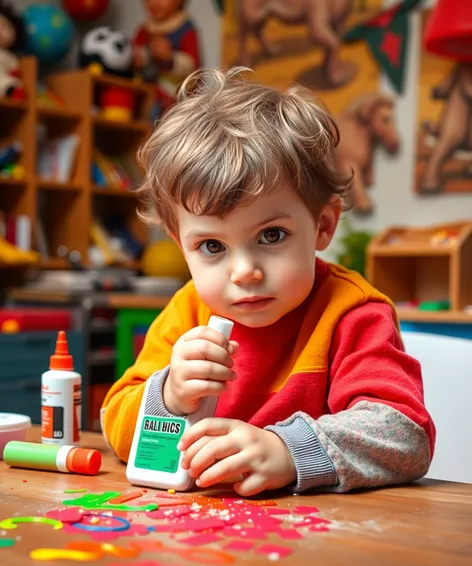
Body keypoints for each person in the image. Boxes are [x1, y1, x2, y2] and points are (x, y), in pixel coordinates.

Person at [101, 67, 435, 497]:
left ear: (322, 226)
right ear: (181, 246)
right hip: (199, 544)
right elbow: (115, 421)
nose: (244, 272)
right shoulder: (186, 313)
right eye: (211, 247)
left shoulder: (352, 313)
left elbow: (405, 434)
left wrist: (288, 451)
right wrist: (168, 397)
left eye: (271, 235)